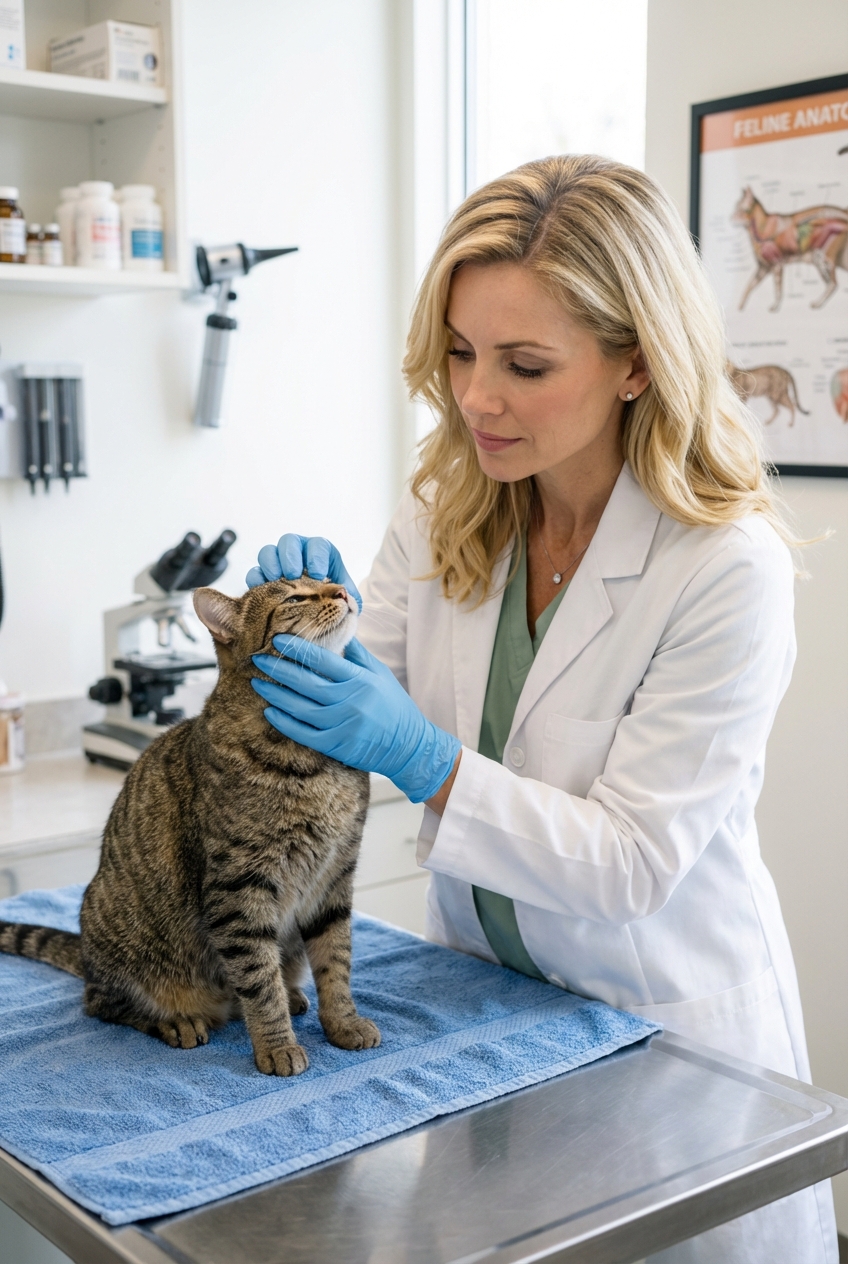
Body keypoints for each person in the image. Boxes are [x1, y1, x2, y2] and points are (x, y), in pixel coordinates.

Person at [246, 155, 838, 1263]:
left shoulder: (721, 567)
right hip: (480, 1013)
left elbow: (628, 864)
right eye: (461, 353)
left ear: (633, 364)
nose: (476, 396)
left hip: (662, 1036)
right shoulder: (444, 511)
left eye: (523, 364)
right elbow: (333, 722)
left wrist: (424, 757)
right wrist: (292, 637)